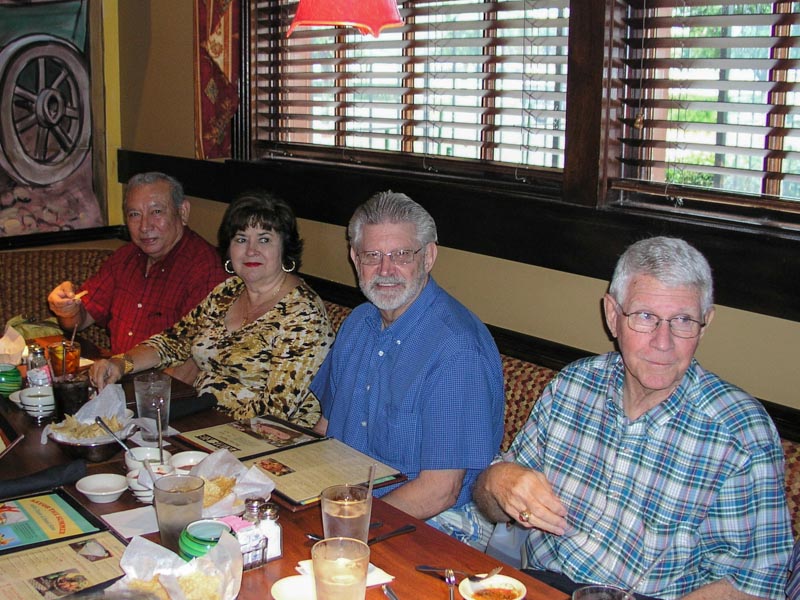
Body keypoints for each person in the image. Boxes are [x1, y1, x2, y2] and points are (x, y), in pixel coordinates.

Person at [471, 237, 792, 600]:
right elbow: (493, 506)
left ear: (705, 325)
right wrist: (498, 480)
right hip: (542, 584)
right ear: (612, 316)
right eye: (644, 317)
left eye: (683, 320)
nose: (663, 342)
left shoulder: (740, 435)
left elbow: (754, 585)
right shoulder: (573, 387)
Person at [309, 190, 504, 524]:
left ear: (428, 257)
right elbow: (326, 427)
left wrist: (348, 524)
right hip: (347, 497)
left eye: (401, 254)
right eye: (372, 255)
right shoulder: (357, 323)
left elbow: (439, 491)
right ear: (355, 259)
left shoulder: (456, 351)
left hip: (433, 520)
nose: (386, 269)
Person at [89, 191, 334, 426]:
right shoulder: (227, 292)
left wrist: (202, 423)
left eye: (264, 239)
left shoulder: (303, 314)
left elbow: (276, 410)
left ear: (285, 248)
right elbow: (174, 341)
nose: (251, 250)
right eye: (241, 239)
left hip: (267, 439)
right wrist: (121, 363)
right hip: (204, 420)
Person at [48, 172, 227, 354]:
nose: (144, 226)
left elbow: (196, 360)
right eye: (134, 214)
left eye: (156, 212)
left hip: (167, 380)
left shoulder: (206, 270)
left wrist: (124, 368)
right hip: (122, 375)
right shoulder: (126, 258)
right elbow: (81, 320)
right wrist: (67, 309)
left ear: (183, 212)